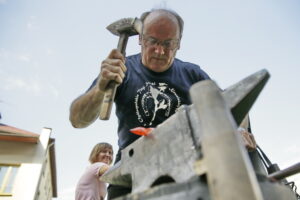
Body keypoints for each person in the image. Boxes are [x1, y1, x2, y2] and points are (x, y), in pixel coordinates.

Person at [70, 8, 256, 199]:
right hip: (131, 172)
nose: (160, 50)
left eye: (168, 43)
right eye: (153, 41)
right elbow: (78, 120)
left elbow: (229, 103)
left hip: (186, 168)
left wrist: (239, 129)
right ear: (140, 39)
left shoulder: (192, 73)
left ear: (179, 44)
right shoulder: (122, 70)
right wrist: (101, 88)